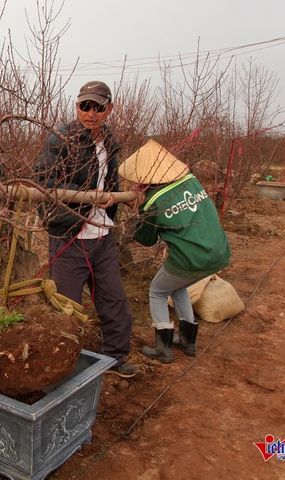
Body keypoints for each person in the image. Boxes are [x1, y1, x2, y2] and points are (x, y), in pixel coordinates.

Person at [34, 80, 139, 378]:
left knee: (113, 299)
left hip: (102, 236)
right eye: (85, 106)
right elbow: (43, 183)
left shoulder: (109, 142)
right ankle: (60, 367)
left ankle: (115, 358)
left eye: (98, 107)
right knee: (65, 307)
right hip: (69, 236)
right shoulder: (61, 139)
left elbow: (110, 183)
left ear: (109, 109)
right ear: (77, 105)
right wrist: (90, 197)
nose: (91, 113)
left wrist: (118, 199)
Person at [118, 139, 231, 363]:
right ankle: (188, 342)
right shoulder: (191, 181)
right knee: (178, 289)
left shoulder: (154, 202)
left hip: (189, 259)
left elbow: (146, 240)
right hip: (218, 252)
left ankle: (164, 348)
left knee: (158, 291)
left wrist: (138, 212)